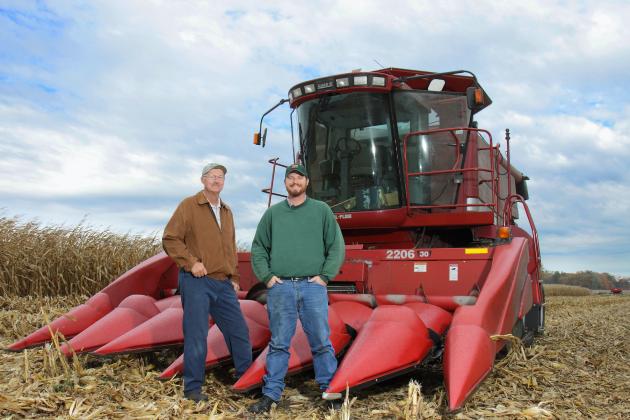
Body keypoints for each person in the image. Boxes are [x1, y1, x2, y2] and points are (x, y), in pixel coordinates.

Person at [248, 163, 345, 413]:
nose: (295, 182)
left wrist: (325, 276)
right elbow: (259, 247)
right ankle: (271, 395)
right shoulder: (273, 214)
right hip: (281, 288)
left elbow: (336, 246)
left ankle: (329, 390)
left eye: (299, 178)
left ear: (306, 183)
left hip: (313, 287)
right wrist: (267, 277)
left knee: (321, 341)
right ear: (285, 183)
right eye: (290, 178)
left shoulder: (321, 211)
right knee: (279, 343)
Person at [162, 163, 252, 402]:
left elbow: (230, 248)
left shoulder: (227, 211)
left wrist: (233, 277)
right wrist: (191, 263)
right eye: (212, 176)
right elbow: (170, 239)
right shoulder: (189, 206)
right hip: (196, 281)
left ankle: (245, 380)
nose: (216, 180)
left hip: (223, 284)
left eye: (220, 177)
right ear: (203, 180)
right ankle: (193, 389)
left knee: (239, 331)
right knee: (196, 335)